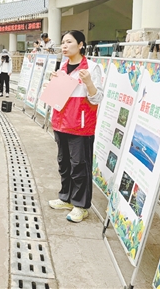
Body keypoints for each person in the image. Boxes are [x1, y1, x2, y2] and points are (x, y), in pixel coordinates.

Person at [48, 30, 103, 223]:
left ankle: (81, 206)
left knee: (80, 166)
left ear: (81, 45)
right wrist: (52, 84)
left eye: (69, 42)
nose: (64, 46)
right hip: (61, 124)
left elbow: (97, 98)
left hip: (80, 126)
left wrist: (88, 82)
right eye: (63, 42)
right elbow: (57, 98)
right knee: (64, 164)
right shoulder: (62, 67)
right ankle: (66, 198)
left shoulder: (92, 68)